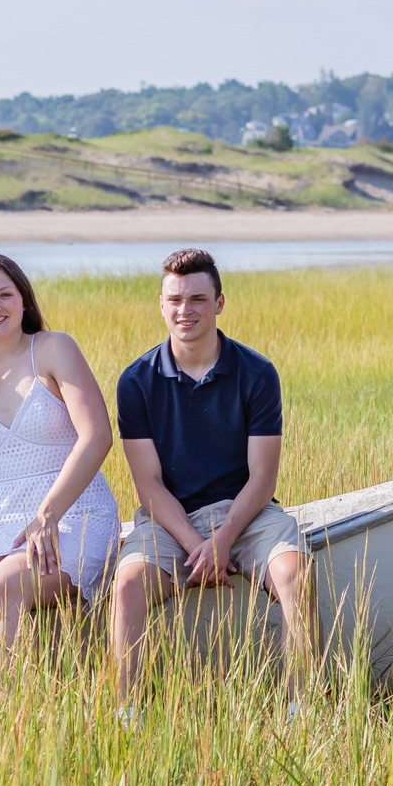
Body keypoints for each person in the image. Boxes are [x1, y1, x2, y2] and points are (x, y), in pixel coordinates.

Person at [107, 248, 316, 694]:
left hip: (247, 513)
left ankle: (301, 709)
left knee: (297, 576)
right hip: (168, 519)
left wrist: (222, 540)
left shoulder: (257, 374)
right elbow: (149, 486)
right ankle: (125, 713)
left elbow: (263, 478)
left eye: (198, 299)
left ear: (219, 303)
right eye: (176, 300)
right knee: (125, 587)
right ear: (161, 305)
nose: (186, 311)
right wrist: (197, 545)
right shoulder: (135, 382)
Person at [0, 252, 118, 684]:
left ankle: (8, 718)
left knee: (3, 586)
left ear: (23, 300)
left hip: (72, 516)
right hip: (1, 521)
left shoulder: (53, 349)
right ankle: (5, 699)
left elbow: (98, 436)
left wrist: (46, 515)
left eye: (4, 295)